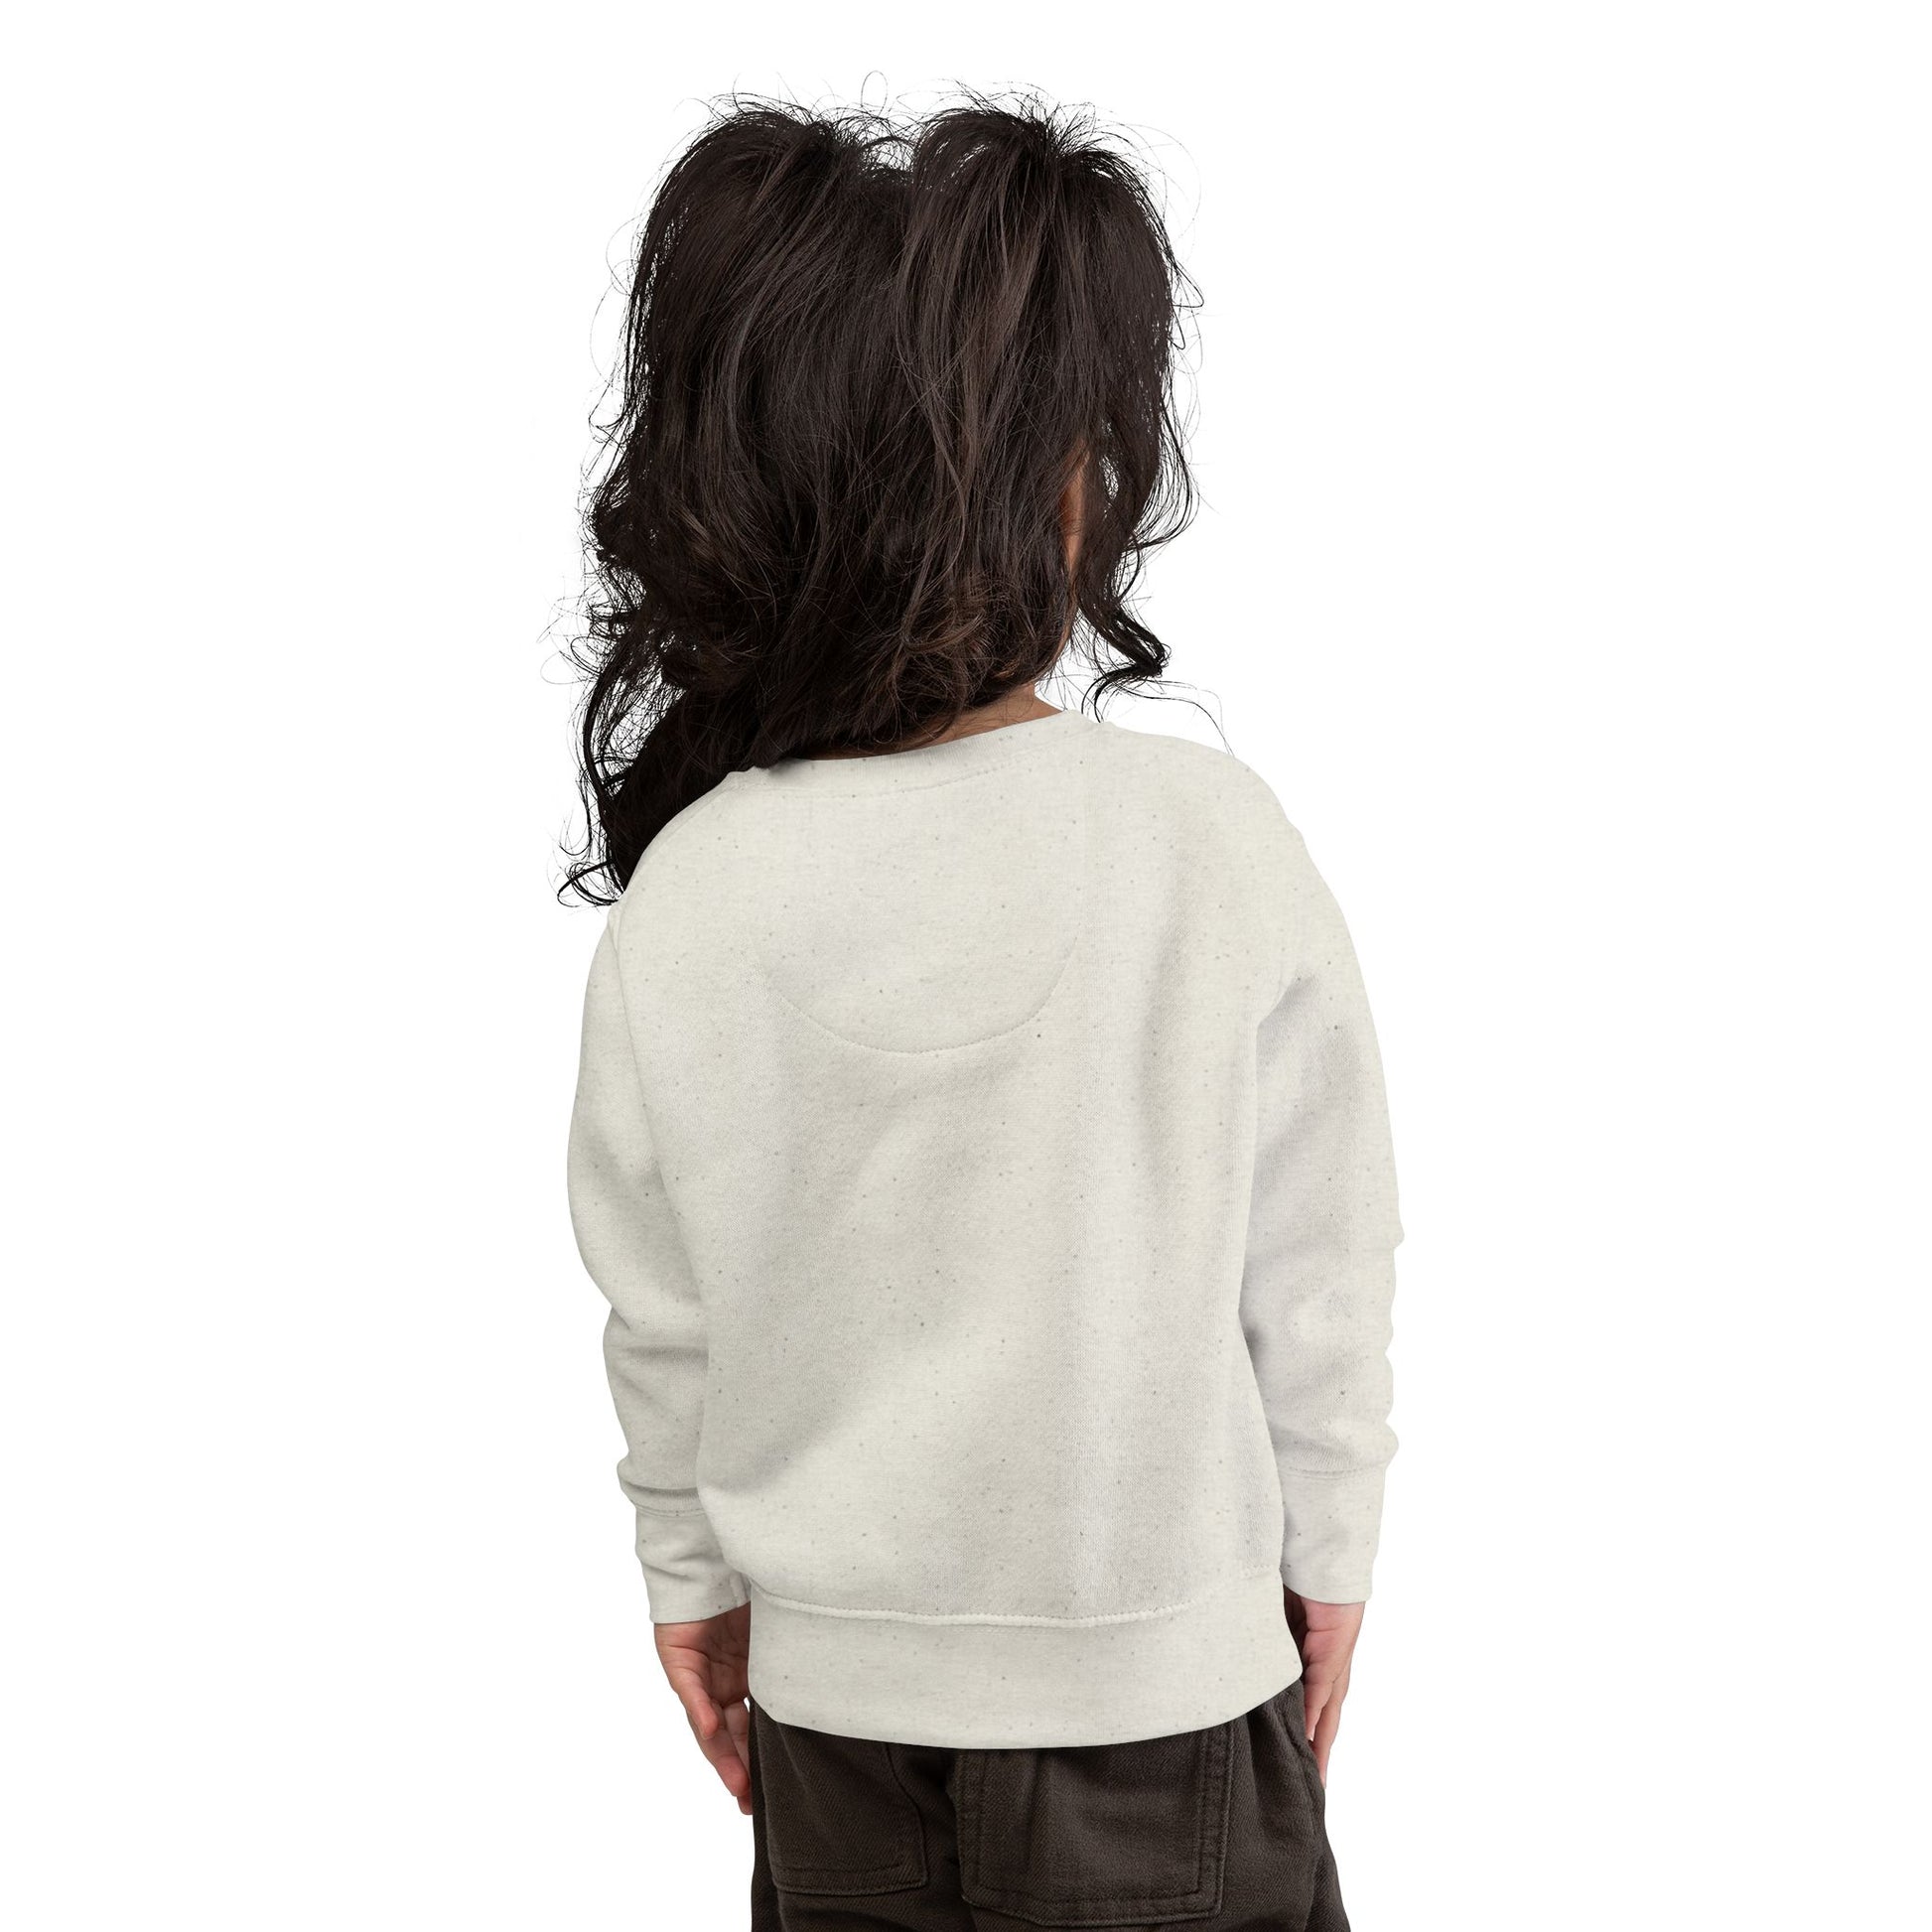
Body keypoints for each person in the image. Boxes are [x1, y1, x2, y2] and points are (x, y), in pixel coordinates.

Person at [564, 92, 1403, 1931]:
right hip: (1164, 1709)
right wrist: (1327, 1546)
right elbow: (1319, 1270)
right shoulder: (1201, 840)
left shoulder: (698, 880)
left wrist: (693, 1577)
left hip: (836, 1728)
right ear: (1066, 482)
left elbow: (665, 1312)